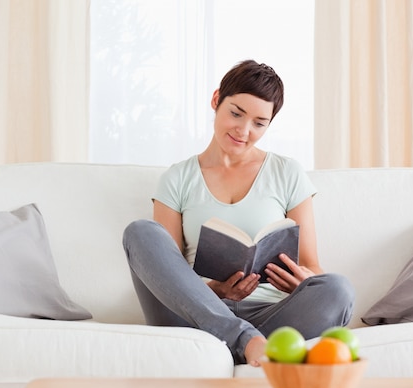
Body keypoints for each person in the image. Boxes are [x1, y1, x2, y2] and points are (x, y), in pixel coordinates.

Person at [122, 60, 354, 366]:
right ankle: (247, 342)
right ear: (216, 100)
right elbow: (165, 269)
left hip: (271, 316)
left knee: (338, 289)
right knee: (140, 233)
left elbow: (312, 265)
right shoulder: (177, 178)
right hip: (194, 316)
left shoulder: (287, 173)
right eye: (236, 113)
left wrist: (302, 283)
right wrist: (214, 289)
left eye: (259, 123)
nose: (244, 131)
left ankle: (241, 346)